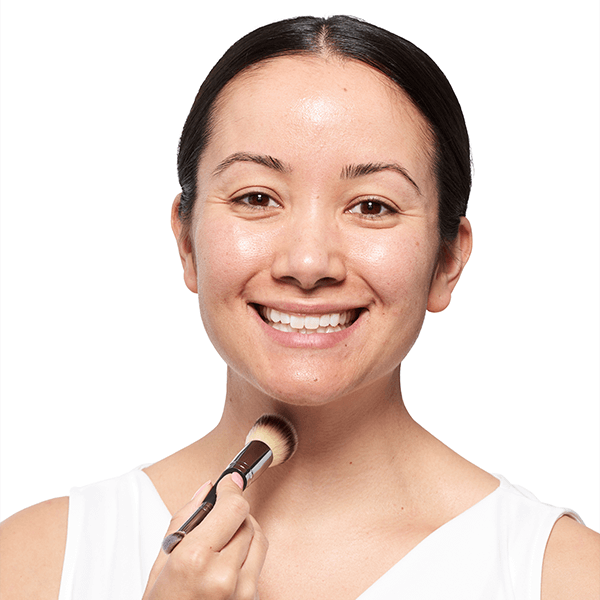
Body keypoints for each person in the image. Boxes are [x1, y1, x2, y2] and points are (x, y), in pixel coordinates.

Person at [1, 14, 598, 600]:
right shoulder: (35, 564)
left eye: (372, 206)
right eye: (256, 197)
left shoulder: (564, 577)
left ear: (447, 261)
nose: (309, 262)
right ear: (186, 243)